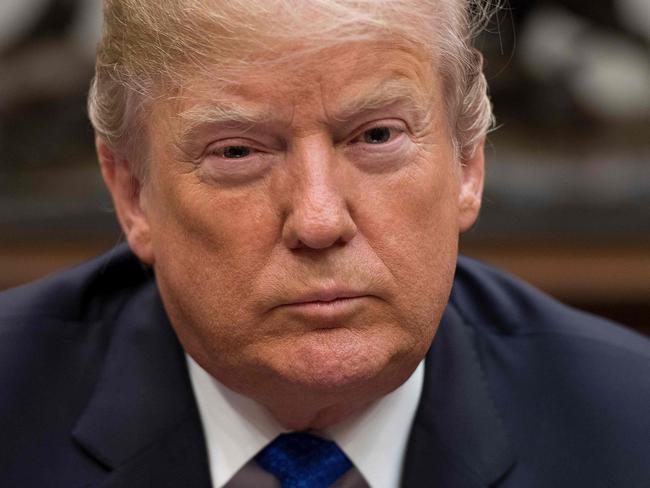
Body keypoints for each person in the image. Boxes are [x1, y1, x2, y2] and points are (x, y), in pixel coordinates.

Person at [1, 1, 649, 487]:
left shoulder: (629, 428)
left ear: (469, 164)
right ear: (133, 193)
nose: (317, 221)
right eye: (237, 151)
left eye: (376, 138)